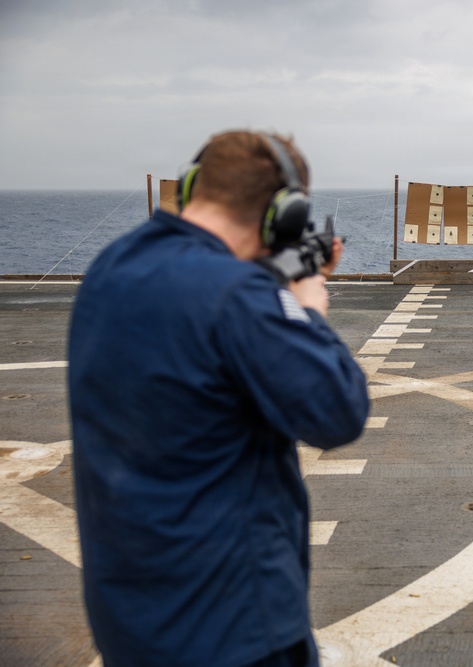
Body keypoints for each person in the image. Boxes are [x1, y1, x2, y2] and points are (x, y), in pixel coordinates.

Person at [69, 130, 370, 667]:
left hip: (127, 611)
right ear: (285, 213)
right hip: (230, 621)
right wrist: (306, 307)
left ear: (191, 187)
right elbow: (337, 413)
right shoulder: (238, 297)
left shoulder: (111, 268)